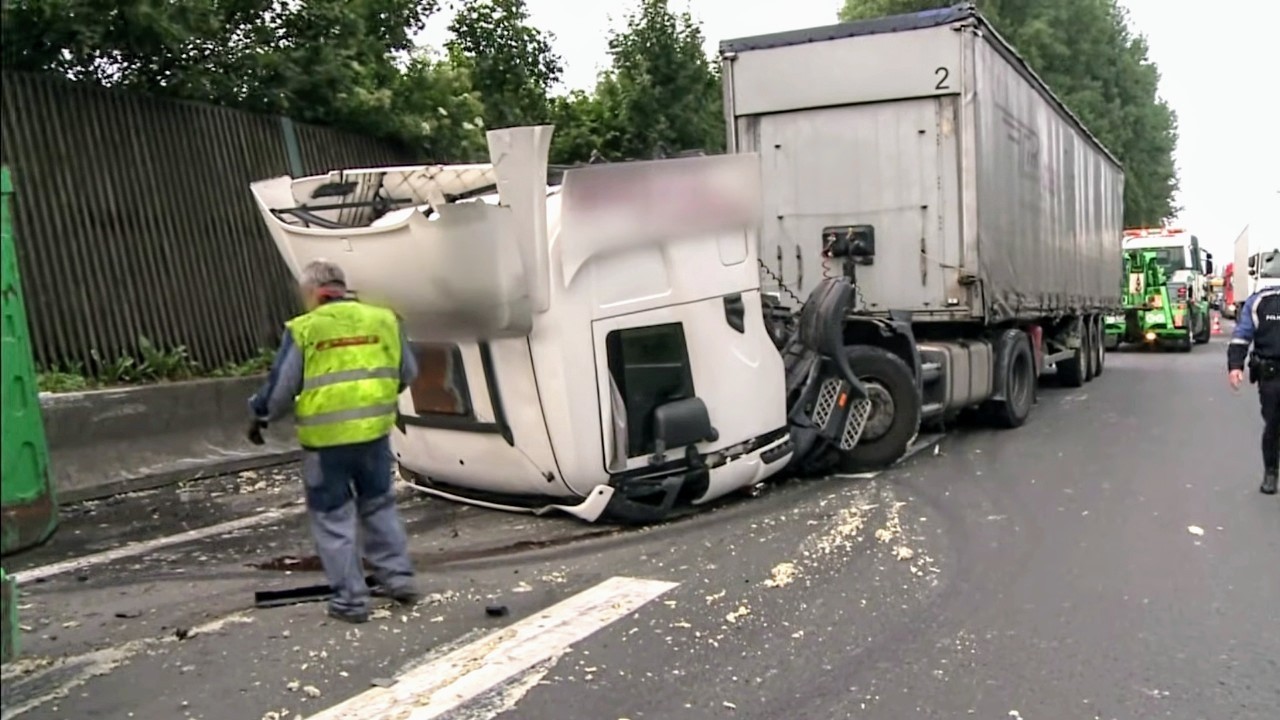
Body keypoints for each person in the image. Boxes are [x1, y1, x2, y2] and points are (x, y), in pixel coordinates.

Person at [248, 259, 422, 622]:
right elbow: (408, 372)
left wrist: (261, 415)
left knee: (334, 520)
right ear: (342, 287)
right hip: (373, 437)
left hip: (325, 446)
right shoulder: (384, 319)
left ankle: (351, 601)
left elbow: (281, 390)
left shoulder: (304, 329)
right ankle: (399, 579)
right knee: (379, 507)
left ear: (312, 292)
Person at [1227, 284, 1280, 495]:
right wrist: (1235, 366)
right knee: (1273, 424)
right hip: (1271, 372)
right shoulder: (1260, 301)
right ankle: (1271, 472)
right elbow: (1242, 334)